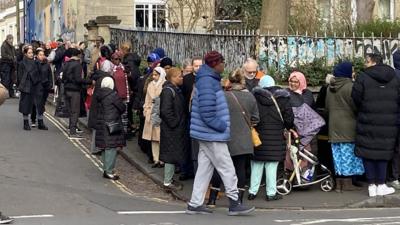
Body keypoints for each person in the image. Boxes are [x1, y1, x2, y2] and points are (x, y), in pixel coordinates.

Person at [187, 51, 255, 216]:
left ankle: (195, 203)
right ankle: (234, 203)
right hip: (212, 134)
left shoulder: (205, 80)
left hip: (204, 133)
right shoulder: (208, 82)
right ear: (215, 64)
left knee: (205, 169)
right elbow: (207, 112)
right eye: (222, 62)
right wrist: (222, 126)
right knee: (227, 168)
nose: (224, 66)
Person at [206, 68, 259, 207]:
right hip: (243, 139)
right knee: (240, 169)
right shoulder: (250, 97)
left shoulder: (222, 96)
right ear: (243, 81)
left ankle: (212, 199)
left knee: (219, 168)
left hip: (224, 137)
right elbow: (255, 119)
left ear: (229, 80)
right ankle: (238, 200)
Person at [352, 53, 399, 197]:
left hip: (367, 119)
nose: (365, 64)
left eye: (366, 62)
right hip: (389, 121)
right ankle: (382, 184)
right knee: (383, 152)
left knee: (368, 152)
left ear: (373, 62)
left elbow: (356, 98)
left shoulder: (362, 77)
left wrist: (364, 110)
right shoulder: (395, 77)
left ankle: (372, 185)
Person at [248, 75, 294, 201]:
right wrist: (286, 127)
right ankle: (271, 193)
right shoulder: (283, 99)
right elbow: (289, 119)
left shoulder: (254, 97)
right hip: (276, 136)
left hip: (258, 136)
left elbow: (251, 116)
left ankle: (252, 191)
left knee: (256, 164)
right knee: (271, 166)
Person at [326, 62, 364, 192]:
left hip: (333, 127)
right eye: (352, 70)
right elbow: (356, 107)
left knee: (338, 156)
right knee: (348, 156)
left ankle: (339, 183)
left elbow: (327, 108)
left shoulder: (329, 87)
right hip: (348, 126)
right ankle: (348, 184)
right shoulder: (351, 87)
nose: (353, 72)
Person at [159, 67, 188, 190]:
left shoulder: (174, 89)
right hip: (171, 129)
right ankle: (167, 182)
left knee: (172, 153)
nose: (182, 78)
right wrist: (175, 123)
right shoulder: (168, 91)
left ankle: (169, 179)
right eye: (180, 76)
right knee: (170, 155)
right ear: (173, 78)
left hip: (174, 128)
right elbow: (165, 111)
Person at [94, 77, 126, 180]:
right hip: (112, 123)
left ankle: (105, 169)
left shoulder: (99, 94)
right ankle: (109, 171)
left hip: (101, 122)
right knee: (111, 148)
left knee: (105, 147)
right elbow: (122, 107)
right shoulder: (113, 95)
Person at [62, 48, 92, 139]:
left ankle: (71, 129)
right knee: (75, 111)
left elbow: (63, 78)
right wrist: (89, 81)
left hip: (67, 90)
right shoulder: (77, 65)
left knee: (71, 111)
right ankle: (73, 132)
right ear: (78, 55)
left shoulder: (66, 64)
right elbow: (78, 79)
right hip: (75, 91)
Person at [143, 67, 166, 168]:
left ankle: (162, 159)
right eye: (153, 75)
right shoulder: (150, 84)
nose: (154, 77)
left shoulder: (164, 84)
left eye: (156, 75)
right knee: (153, 139)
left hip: (159, 113)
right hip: (151, 112)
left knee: (160, 138)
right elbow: (147, 99)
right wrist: (146, 110)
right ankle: (156, 159)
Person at [17, 47, 42, 130]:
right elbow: (19, 76)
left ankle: (40, 122)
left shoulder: (36, 62)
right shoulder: (22, 63)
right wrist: (22, 85)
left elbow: (39, 73)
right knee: (25, 105)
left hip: (35, 86)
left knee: (37, 104)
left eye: (32, 53)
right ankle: (26, 123)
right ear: (25, 54)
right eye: (29, 53)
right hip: (26, 87)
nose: (31, 54)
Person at [33, 48, 53, 130]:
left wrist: (50, 84)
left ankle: (38, 120)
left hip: (45, 87)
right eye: (40, 55)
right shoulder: (34, 64)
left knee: (42, 104)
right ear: (37, 56)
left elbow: (50, 75)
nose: (42, 56)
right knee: (39, 104)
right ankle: (40, 122)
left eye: (43, 55)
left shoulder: (46, 64)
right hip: (37, 87)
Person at [111, 51, 130, 134]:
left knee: (124, 116)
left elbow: (129, 81)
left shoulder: (125, 69)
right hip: (115, 97)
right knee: (115, 115)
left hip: (124, 96)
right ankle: (116, 132)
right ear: (112, 59)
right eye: (115, 59)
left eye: (119, 59)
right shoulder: (111, 70)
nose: (117, 60)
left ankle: (124, 133)